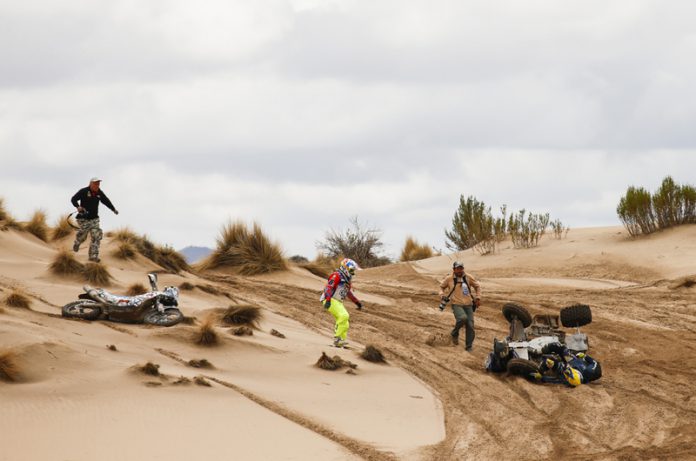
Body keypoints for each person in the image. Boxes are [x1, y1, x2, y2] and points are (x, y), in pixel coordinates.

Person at [71, 177, 119, 263]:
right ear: (90, 184)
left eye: (98, 183)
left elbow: (106, 201)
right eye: (95, 183)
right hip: (83, 218)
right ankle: (78, 242)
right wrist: (78, 207)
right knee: (83, 235)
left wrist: (113, 209)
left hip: (94, 219)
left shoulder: (99, 193)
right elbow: (73, 199)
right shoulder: (84, 191)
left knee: (96, 237)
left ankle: (93, 256)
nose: (97, 185)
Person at [320, 258, 363, 348]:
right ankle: (337, 339)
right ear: (345, 268)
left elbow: (348, 292)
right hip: (330, 299)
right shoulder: (337, 275)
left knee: (345, 322)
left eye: (354, 270)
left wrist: (357, 302)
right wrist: (327, 300)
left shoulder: (347, 279)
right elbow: (329, 288)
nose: (353, 272)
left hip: (338, 301)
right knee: (344, 316)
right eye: (352, 270)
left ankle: (341, 341)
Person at [439, 261, 481, 351]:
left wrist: (478, 298)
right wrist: (442, 295)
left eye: (461, 268)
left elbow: (477, 286)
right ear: (454, 269)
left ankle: (468, 346)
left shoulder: (468, 277)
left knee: (470, 326)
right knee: (462, 318)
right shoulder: (449, 279)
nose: (459, 270)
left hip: (469, 305)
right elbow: (441, 287)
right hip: (456, 304)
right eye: (457, 269)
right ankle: (454, 333)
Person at [531, 342, 602, 387]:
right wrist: (585, 356)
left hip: (564, 367)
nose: (567, 375)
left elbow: (552, 380)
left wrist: (540, 375)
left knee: (550, 361)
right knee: (559, 346)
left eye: (567, 377)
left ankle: (537, 357)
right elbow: (595, 363)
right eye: (568, 374)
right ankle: (538, 351)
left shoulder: (566, 380)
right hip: (573, 360)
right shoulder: (589, 372)